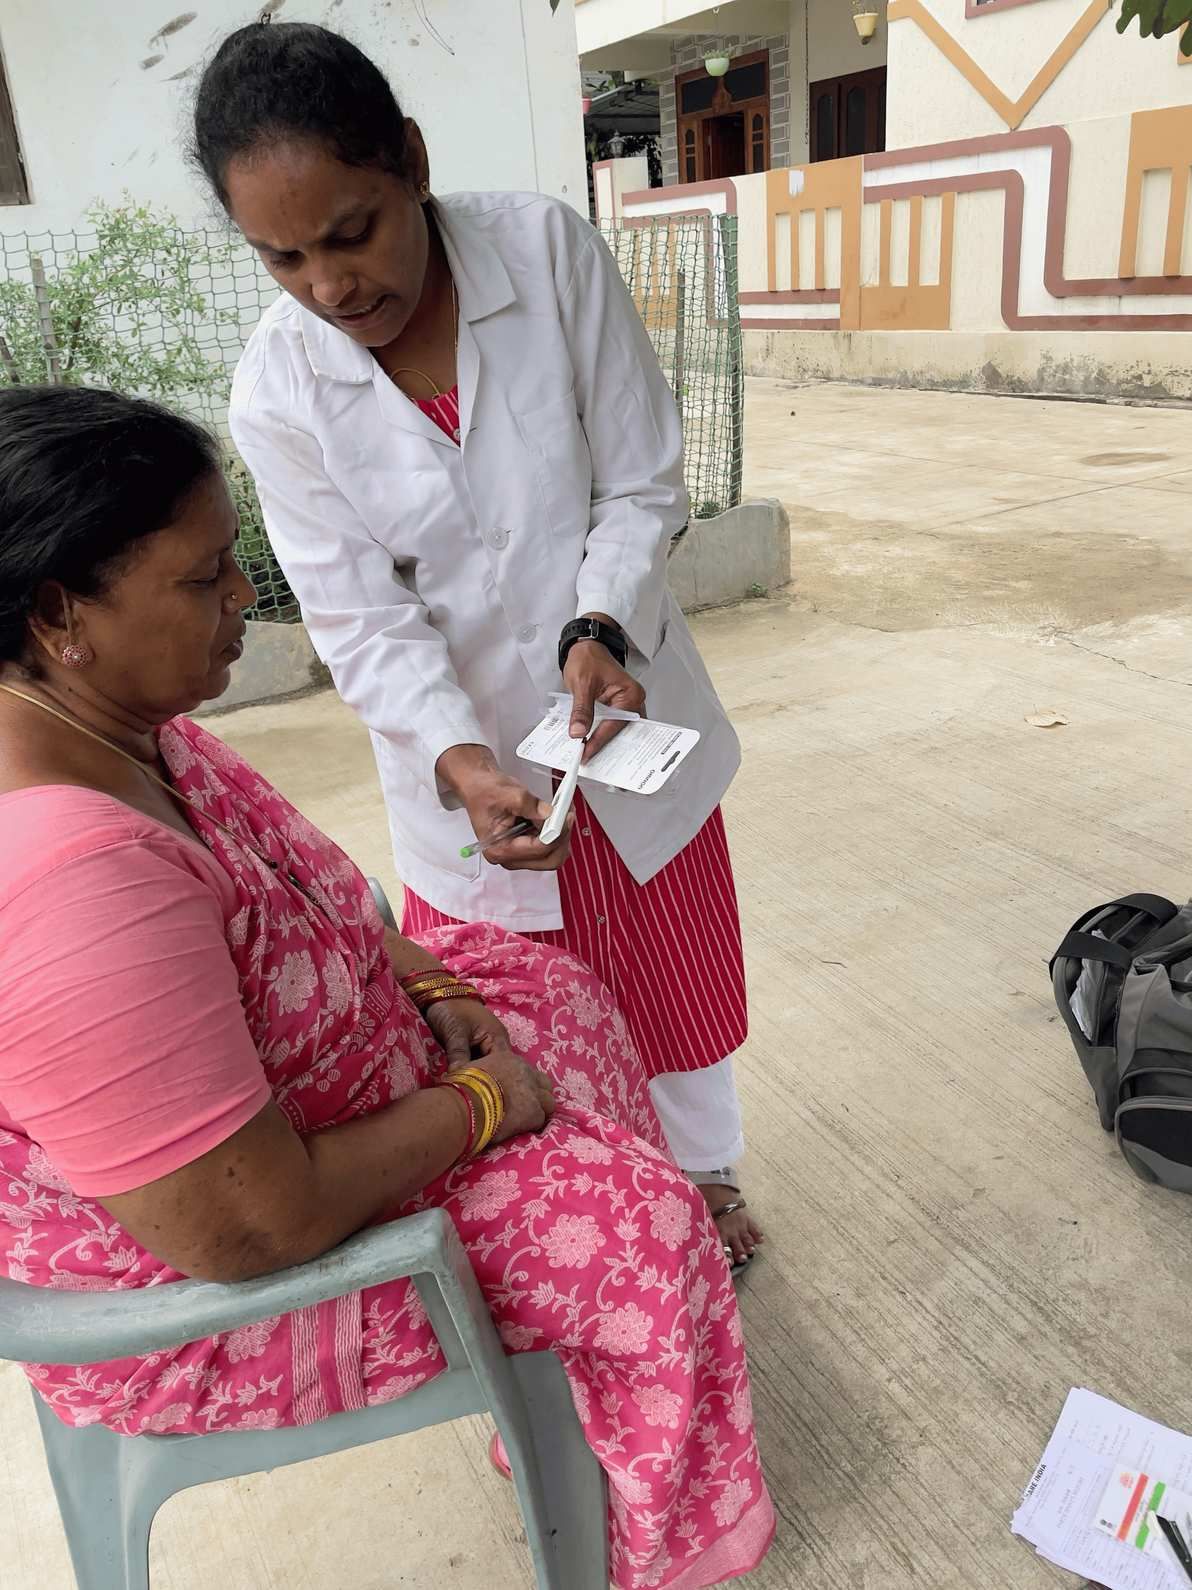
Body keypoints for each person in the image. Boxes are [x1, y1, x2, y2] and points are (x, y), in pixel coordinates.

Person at [0, 384, 773, 1589]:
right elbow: (247, 1226)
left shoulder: (132, 730)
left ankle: (580, 1400)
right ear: (60, 615)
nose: (244, 597)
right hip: (229, 1289)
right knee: (640, 1226)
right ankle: (642, 1532)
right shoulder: (71, 881)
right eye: (204, 580)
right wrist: (485, 1105)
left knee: (550, 989)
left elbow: (320, 898)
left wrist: (430, 987)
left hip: (319, 1124)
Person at [193, 21, 763, 1270]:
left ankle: (703, 1176)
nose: (330, 287)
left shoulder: (545, 253)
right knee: (524, 1019)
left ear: (411, 161)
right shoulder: (279, 391)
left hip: (624, 710)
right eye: (283, 258)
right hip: (463, 771)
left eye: (352, 232)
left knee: (670, 978)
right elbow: (359, 616)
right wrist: (458, 757)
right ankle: (616, 1215)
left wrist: (598, 626)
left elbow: (640, 480)